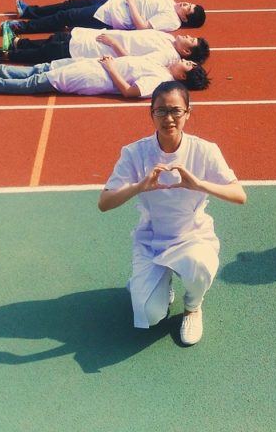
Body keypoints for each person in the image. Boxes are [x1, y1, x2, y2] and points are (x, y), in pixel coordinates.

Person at [98, 81, 245, 345]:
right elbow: (105, 202)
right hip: (151, 238)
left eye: (176, 111)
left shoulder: (205, 150)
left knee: (199, 264)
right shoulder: (134, 153)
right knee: (149, 314)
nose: (169, 118)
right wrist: (139, 186)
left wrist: (199, 184)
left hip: (192, 236)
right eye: (161, 111)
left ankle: (193, 307)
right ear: (151, 114)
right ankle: (159, 286)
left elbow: (239, 195)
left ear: (188, 112)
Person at [0, 52, 209, 98]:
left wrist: (112, 68)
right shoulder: (162, 68)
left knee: (36, 82)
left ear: (183, 77)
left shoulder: (160, 82)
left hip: (92, 78)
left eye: (187, 64)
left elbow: (130, 91)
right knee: (42, 68)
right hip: (93, 65)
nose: (183, 60)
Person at [2, 0, 205, 47]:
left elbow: (143, 28)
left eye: (189, 8)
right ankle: (29, 11)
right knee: (69, 5)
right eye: (190, 3)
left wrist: (132, 2)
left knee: (66, 17)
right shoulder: (171, 3)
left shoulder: (171, 20)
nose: (186, 4)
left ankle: (22, 28)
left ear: (186, 18)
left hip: (110, 17)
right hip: (113, 3)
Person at [0, 28, 209, 66]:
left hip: (97, 50)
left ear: (187, 52)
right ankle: (15, 44)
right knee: (53, 40)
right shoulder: (167, 38)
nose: (187, 35)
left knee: (44, 54)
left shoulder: (167, 54)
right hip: (91, 37)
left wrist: (114, 43)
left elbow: (137, 62)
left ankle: (2, 56)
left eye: (191, 40)